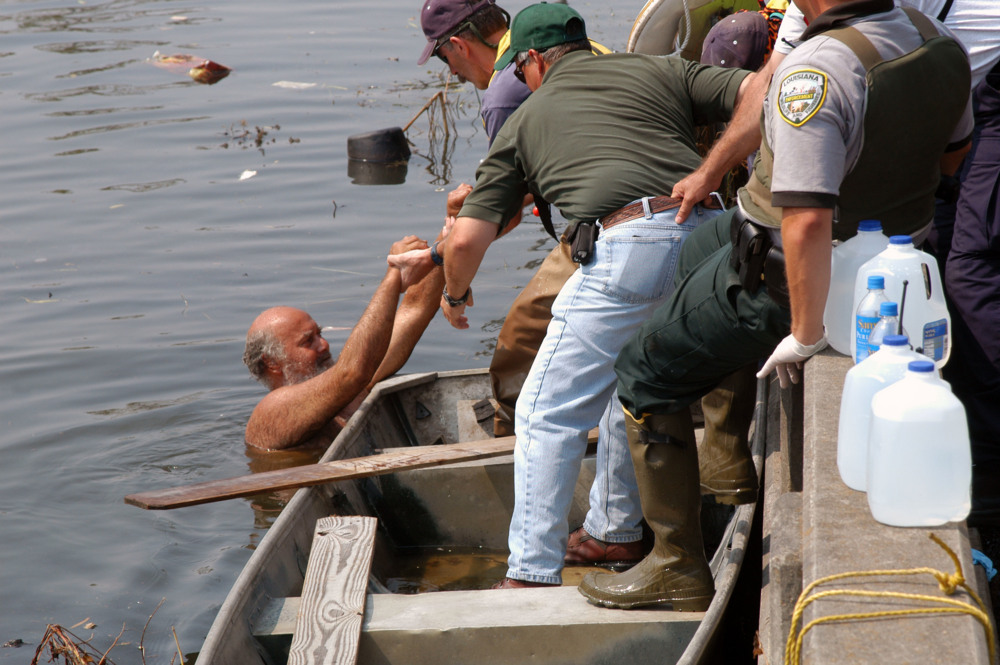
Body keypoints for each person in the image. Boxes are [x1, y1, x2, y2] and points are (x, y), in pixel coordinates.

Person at [579, 0, 973, 610]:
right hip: (885, 251)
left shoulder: (818, 70)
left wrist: (806, 330)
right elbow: (953, 156)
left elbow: (808, 219)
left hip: (786, 278)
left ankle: (675, 563)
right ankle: (726, 453)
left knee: (641, 372)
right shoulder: (938, 41)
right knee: (698, 250)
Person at [399, 2, 755, 590]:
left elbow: (469, 236)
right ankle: (616, 534)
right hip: (715, 238)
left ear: (535, 59)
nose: (518, 79)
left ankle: (530, 573)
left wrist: (455, 295)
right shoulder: (662, 69)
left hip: (632, 245)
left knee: (546, 410)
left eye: (520, 69)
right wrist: (718, 166)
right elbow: (763, 85)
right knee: (632, 382)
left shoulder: (524, 116)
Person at [242, 235, 443, 450]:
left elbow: (414, 308)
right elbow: (353, 372)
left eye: (319, 334)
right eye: (308, 341)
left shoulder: (349, 386)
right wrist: (394, 272)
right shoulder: (271, 412)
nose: (324, 345)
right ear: (272, 363)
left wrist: (446, 243)